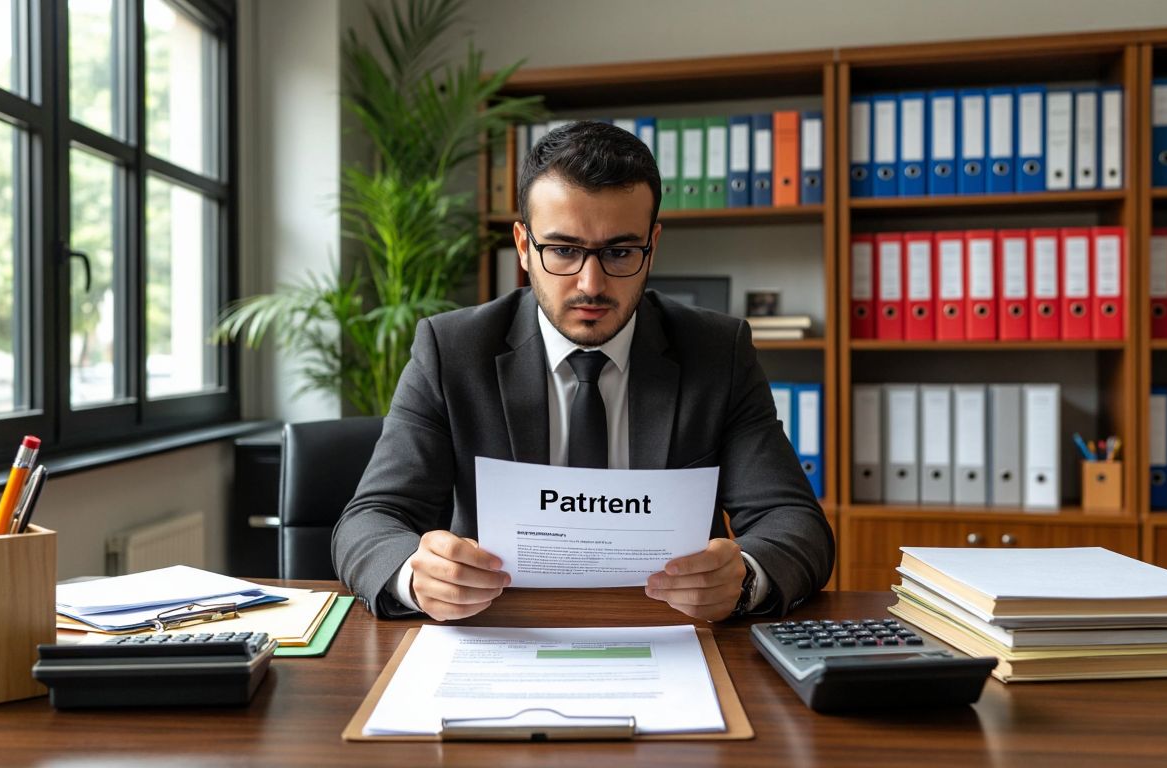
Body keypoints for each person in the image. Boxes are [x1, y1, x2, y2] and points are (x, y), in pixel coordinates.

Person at [333, 120, 833, 621]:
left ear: (652, 246)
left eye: (619, 252)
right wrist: (415, 578)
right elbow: (370, 520)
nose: (590, 284)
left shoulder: (715, 352)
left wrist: (744, 576)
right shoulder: (452, 350)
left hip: (671, 633)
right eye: (564, 250)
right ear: (524, 246)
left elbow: (794, 523)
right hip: (500, 630)